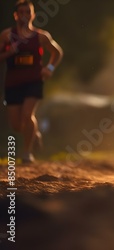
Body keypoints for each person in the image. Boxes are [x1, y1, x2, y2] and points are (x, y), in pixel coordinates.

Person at [0, 0, 63, 164]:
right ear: (15, 15)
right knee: (16, 125)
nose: (24, 16)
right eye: (21, 12)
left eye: (27, 12)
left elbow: (57, 52)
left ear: (33, 15)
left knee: (28, 115)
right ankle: (33, 134)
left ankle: (27, 153)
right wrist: (9, 53)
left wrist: (49, 68)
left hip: (34, 81)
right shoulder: (7, 35)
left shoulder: (41, 36)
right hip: (13, 83)